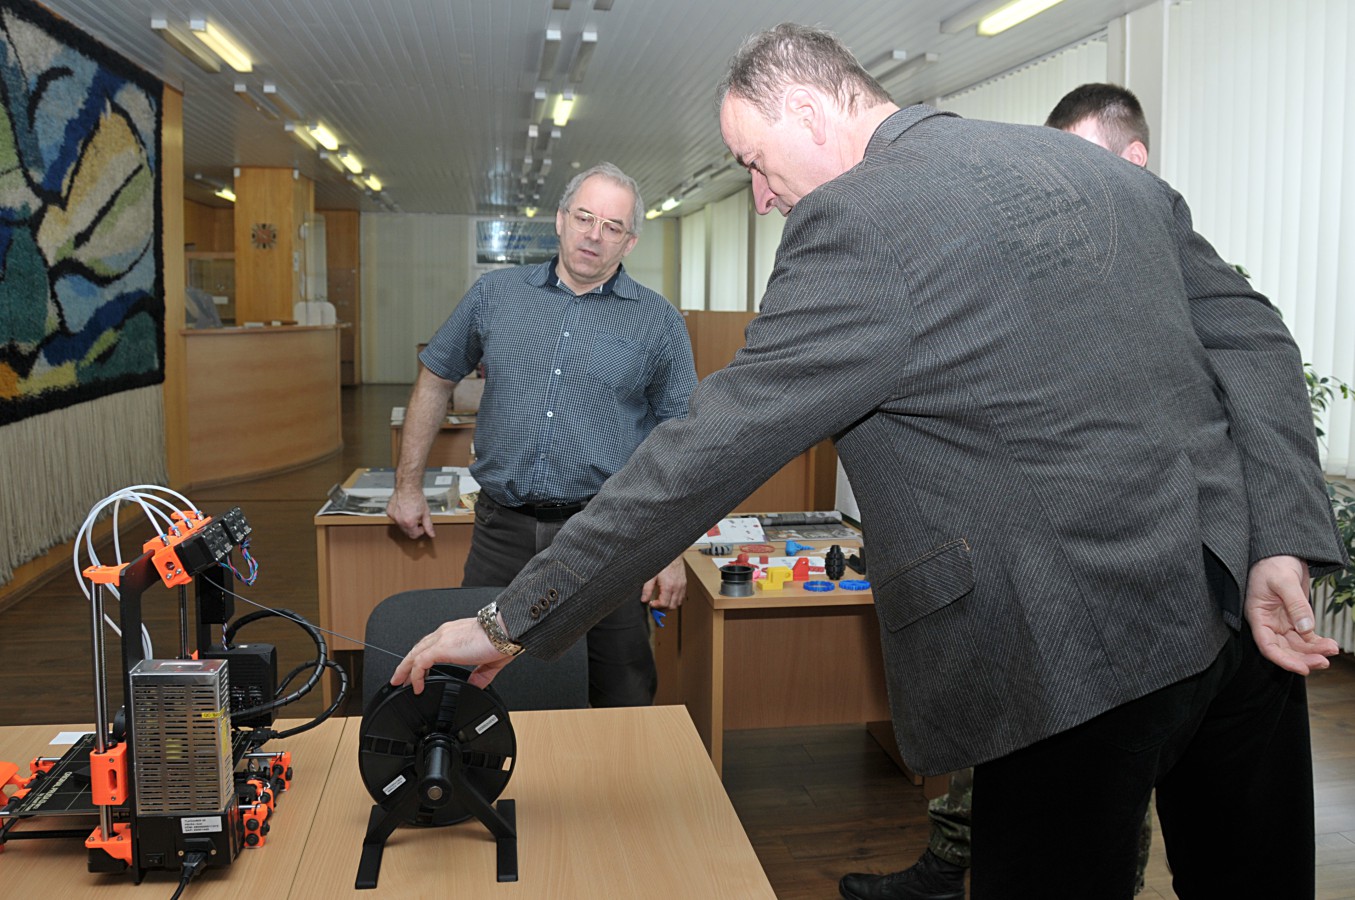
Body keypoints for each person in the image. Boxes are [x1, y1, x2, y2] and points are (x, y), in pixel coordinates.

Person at [393, 24, 1346, 899]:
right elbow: (1255, 336)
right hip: (1232, 612)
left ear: (810, 112)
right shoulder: (1091, 168)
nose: (761, 195)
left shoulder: (856, 224)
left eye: (753, 162)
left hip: (1066, 655)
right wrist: (1279, 540)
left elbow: (700, 453)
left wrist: (508, 620)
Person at [841, 81, 1158, 900]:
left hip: (1127, 576)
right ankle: (950, 860)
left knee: (1096, 805)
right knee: (1005, 742)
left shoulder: (1159, 264)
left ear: (1133, 160)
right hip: (1028, 560)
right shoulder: (1050, 257)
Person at [385, 162, 698, 708]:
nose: (594, 235)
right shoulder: (495, 295)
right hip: (502, 533)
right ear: (560, 219)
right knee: (475, 687)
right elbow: (436, 376)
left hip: (607, 536)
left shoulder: (659, 323)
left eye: (612, 226)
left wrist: (671, 549)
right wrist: (407, 486)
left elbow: (682, 441)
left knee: (621, 693)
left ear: (630, 242)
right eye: (584, 217)